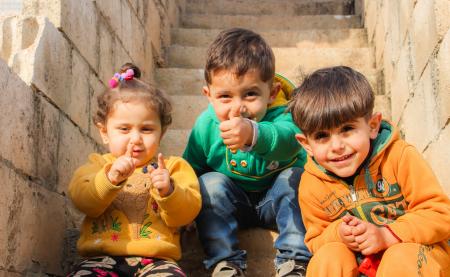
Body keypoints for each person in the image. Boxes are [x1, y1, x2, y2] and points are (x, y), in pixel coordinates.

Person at [288, 66, 450, 277]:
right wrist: (339, 234)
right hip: (358, 265)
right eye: (322, 136)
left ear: (372, 126)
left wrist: (387, 235)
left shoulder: (399, 156)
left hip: (415, 257)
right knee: (328, 256)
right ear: (306, 144)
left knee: (400, 258)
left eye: (346, 129)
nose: (336, 146)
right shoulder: (312, 183)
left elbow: (439, 214)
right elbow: (315, 239)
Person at [183, 28, 311, 277]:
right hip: (233, 202)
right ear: (208, 96)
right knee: (208, 183)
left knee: (294, 178)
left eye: (250, 94)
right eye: (225, 96)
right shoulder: (206, 126)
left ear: (271, 93)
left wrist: (254, 134)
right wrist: (185, 208)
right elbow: (191, 166)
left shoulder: (285, 114)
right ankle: (225, 262)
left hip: (277, 201)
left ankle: (295, 261)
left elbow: (289, 141)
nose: (238, 108)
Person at [67, 63, 201, 277]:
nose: (136, 138)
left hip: (157, 261)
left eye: (147, 129)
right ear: (104, 132)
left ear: (161, 133)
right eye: (124, 129)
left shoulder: (174, 167)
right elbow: (83, 201)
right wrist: (109, 178)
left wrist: (170, 190)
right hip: (100, 260)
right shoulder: (98, 165)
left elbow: (186, 214)